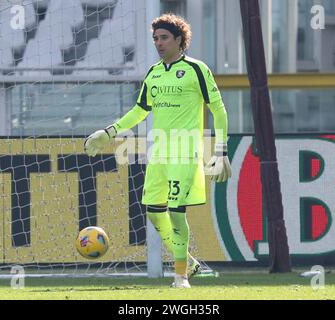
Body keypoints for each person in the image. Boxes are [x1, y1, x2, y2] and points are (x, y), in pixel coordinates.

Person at [84, 14, 231, 288]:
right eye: (155, 38)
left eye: (164, 37)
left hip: (185, 153)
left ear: (179, 39)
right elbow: (140, 111)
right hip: (159, 154)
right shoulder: (153, 73)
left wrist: (221, 150)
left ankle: (180, 276)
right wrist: (109, 133)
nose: (158, 43)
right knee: (154, 211)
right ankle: (189, 261)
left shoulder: (197, 69)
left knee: (176, 211)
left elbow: (218, 110)